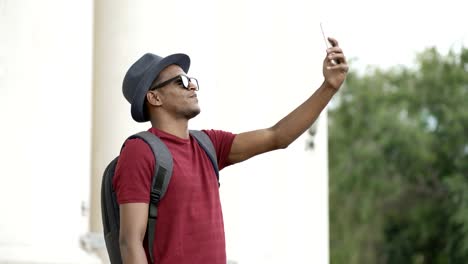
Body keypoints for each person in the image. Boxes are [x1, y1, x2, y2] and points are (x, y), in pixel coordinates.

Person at [114, 37, 348, 264]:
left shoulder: (209, 144)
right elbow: (130, 242)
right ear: (154, 97)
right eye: (181, 82)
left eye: (191, 80)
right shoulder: (139, 152)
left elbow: (278, 136)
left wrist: (329, 87)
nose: (193, 87)